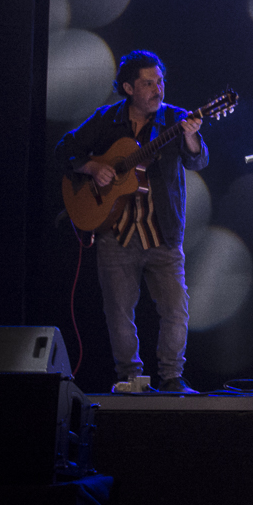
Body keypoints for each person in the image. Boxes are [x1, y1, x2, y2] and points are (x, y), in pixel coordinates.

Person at [57, 50, 207, 395]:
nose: (158, 89)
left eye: (160, 81)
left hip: (163, 234)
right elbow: (64, 150)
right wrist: (92, 168)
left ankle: (171, 378)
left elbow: (198, 161)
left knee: (176, 310)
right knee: (119, 313)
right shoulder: (106, 120)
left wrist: (190, 136)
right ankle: (131, 380)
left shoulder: (177, 118)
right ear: (128, 88)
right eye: (148, 83)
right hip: (116, 234)